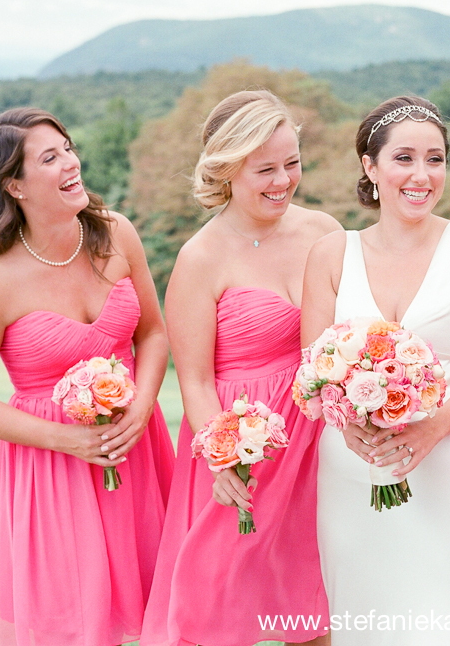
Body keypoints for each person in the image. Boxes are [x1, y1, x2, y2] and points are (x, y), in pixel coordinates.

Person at [0, 107, 175, 646]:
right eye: (50, 158)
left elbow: (153, 333)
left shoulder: (116, 233)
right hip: (51, 467)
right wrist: (67, 439)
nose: (71, 163)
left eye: (68, 149)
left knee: (159, 612)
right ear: (15, 185)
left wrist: (143, 405)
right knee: (69, 620)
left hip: (135, 448)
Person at [301, 95, 450, 646]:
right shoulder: (330, 254)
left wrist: (430, 430)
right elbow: (313, 373)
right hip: (356, 472)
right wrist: (352, 428)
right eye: (404, 158)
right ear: (370, 167)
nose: (422, 175)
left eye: (435, 159)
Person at [141, 90, 339, 646]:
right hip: (243, 449)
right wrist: (223, 457)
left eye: (292, 163)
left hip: (317, 443)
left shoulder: (324, 231)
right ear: (228, 170)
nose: (284, 180)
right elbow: (195, 380)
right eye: (265, 169)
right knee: (216, 609)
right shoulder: (200, 258)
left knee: (311, 603)